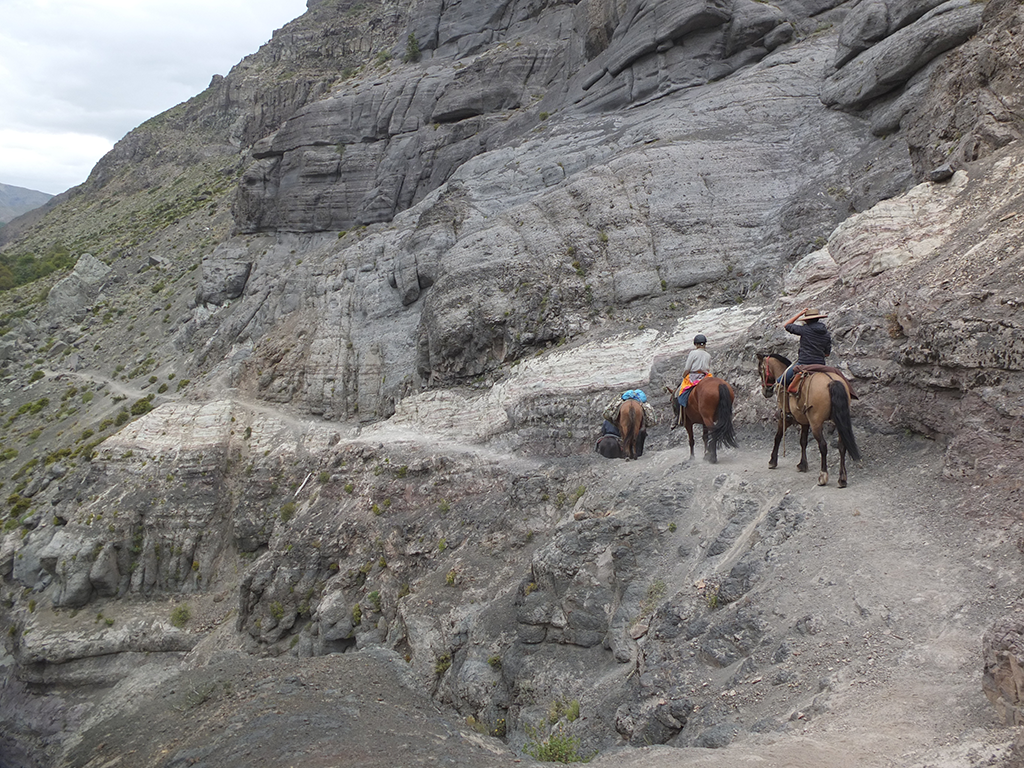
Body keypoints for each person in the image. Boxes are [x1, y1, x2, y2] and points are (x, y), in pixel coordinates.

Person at [781, 307, 831, 387]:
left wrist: (800, 314)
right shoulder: (826, 334)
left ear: (806, 320)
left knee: (780, 381)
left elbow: (787, 325)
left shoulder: (804, 329)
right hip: (820, 364)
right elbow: (827, 354)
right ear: (818, 319)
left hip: (804, 362)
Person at [676, 335, 711, 409]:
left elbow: (687, 368)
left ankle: (681, 412)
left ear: (696, 344)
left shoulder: (693, 353)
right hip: (704, 377)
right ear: (705, 344)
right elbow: (708, 369)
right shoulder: (708, 355)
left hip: (693, 377)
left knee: (679, 392)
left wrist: (684, 376)